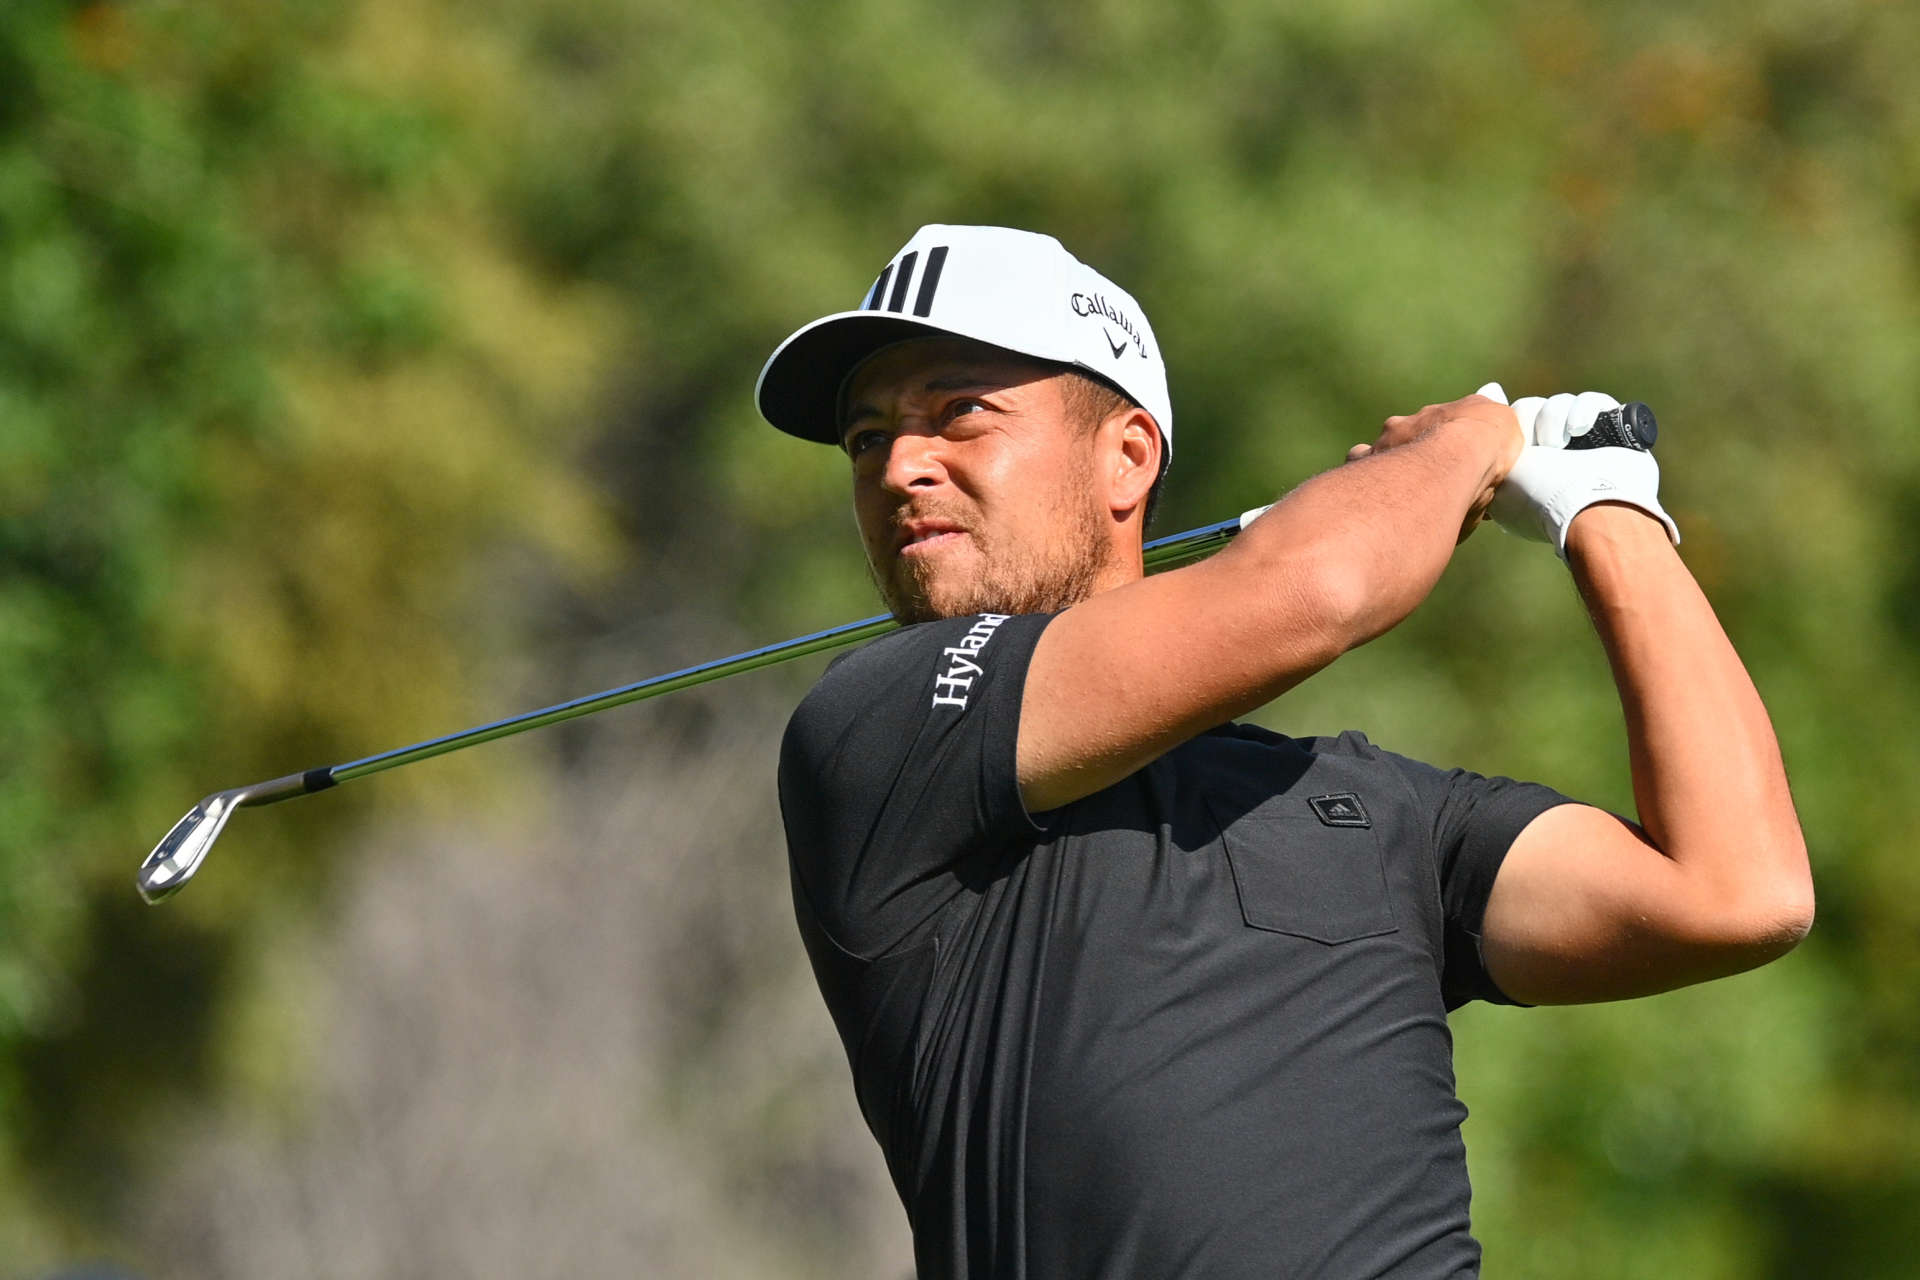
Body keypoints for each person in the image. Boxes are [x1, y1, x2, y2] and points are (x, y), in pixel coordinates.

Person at [755, 224, 1812, 1278]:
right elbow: (1321, 588)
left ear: (1125, 456)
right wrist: (1479, 438)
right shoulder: (881, 729)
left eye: (958, 413)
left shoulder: (1373, 806)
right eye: (866, 439)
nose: (899, 466)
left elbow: (1738, 888)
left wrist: (1608, 508)